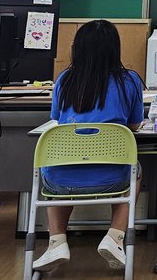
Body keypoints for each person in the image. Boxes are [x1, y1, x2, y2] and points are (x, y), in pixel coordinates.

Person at [34, 20, 145, 273]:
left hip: (60, 183)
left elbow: (57, 119)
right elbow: (134, 125)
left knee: (56, 168)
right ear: (115, 49)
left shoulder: (65, 80)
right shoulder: (129, 81)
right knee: (135, 171)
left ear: (78, 48)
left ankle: (56, 242)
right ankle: (115, 237)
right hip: (113, 180)